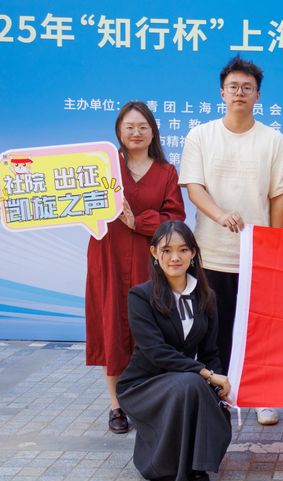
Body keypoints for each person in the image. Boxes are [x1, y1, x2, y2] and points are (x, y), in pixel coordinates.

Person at [179, 55, 283, 426]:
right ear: (222, 93)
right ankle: (220, 395)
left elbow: (278, 196)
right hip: (211, 252)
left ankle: (261, 396)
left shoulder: (273, 140)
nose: (239, 93)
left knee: (259, 328)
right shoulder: (201, 135)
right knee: (215, 329)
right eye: (233, 87)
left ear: (258, 95)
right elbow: (195, 187)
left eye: (247, 87)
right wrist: (220, 215)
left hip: (256, 254)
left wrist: (273, 244)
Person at [85, 101, 185, 434]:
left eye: (143, 126)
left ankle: (151, 404)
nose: (136, 132)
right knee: (112, 327)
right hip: (108, 257)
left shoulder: (166, 172)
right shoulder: (101, 167)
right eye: (129, 127)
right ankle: (116, 406)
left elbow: (175, 217)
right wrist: (16, 208)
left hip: (150, 262)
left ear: (153, 131)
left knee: (152, 330)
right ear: (119, 131)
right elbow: (64, 200)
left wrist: (138, 221)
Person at [117, 220, 232, 481]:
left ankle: (196, 464)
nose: (175, 257)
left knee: (200, 392)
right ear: (154, 253)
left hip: (181, 380)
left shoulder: (206, 296)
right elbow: (156, 351)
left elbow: (210, 352)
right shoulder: (141, 296)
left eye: (183, 250)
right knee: (190, 384)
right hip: (143, 383)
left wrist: (219, 390)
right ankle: (164, 468)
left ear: (193, 253)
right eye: (166, 250)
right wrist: (206, 374)